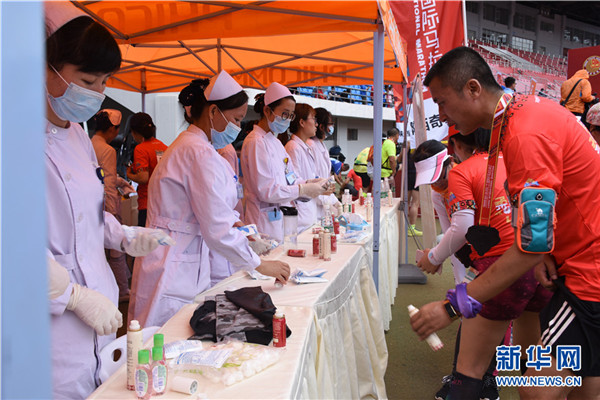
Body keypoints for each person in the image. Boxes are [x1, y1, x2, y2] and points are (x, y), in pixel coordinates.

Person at [411, 46, 600, 400]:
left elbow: (532, 243)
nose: (442, 115)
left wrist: (452, 306)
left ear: (472, 88)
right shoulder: (521, 115)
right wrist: (544, 251)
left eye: (442, 102)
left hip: (589, 269)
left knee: (536, 389)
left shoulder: (525, 132)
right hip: (575, 262)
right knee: (584, 383)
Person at [44, 3, 161, 398]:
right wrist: (73, 296)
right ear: (44, 69)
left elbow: (86, 213)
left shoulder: (76, 133)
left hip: (101, 323)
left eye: (105, 82)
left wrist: (122, 235)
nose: (97, 94)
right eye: (88, 80)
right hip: (50, 327)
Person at [129, 71, 291, 328]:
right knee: (162, 335)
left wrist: (239, 229)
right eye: (236, 119)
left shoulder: (195, 147)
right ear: (213, 111)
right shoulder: (197, 152)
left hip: (181, 253)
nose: (238, 127)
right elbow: (216, 227)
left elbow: (214, 210)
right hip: (175, 259)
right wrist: (259, 264)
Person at [414, 132, 551, 400]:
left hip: (501, 264)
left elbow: (461, 229)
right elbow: (456, 237)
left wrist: (433, 259)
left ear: (454, 152)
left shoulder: (463, 173)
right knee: (534, 365)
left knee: (469, 369)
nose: (438, 182)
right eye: (431, 179)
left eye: (439, 174)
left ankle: (479, 383)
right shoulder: (510, 161)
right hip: (537, 263)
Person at [241, 82, 329, 242]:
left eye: (291, 115)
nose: (288, 120)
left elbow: (290, 177)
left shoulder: (274, 142)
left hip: (279, 218)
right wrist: (303, 189)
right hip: (263, 221)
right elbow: (266, 191)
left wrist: (311, 183)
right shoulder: (256, 142)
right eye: (285, 114)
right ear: (267, 111)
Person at [91, 109, 135, 301]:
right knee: (116, 249)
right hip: (105, 206)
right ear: (111, 129)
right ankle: (123, 289)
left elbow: (98, 176)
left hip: (90, 205)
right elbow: (107, 182)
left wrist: (120, 182)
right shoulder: (107, 150)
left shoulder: (87, 143)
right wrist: (112, 211)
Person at [126, 112, 168, 227]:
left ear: (134, 132)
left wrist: (129, 174)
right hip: (164, 203)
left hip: (147, 204)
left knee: (146, 241)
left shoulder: (141, 149)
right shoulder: (164, 147)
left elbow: (143, 178)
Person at [285, 103, 319, 232]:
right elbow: (294, 182)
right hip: (300, 214)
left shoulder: (305, 147)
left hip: (309, 210)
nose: (316, 124)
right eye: (313, 119)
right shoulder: (292, 147)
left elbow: (309, 178)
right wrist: (314, 187)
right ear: (302, 122)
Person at [308, 107, 339, 217]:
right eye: (330, 124)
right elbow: (312, 180)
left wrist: (335, 201)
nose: (332, 127)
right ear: (321, 126)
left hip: (324, 200)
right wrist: (328, 202)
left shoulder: (321, 145)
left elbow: (325, 178)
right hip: (316, 203)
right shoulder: (311, 145)